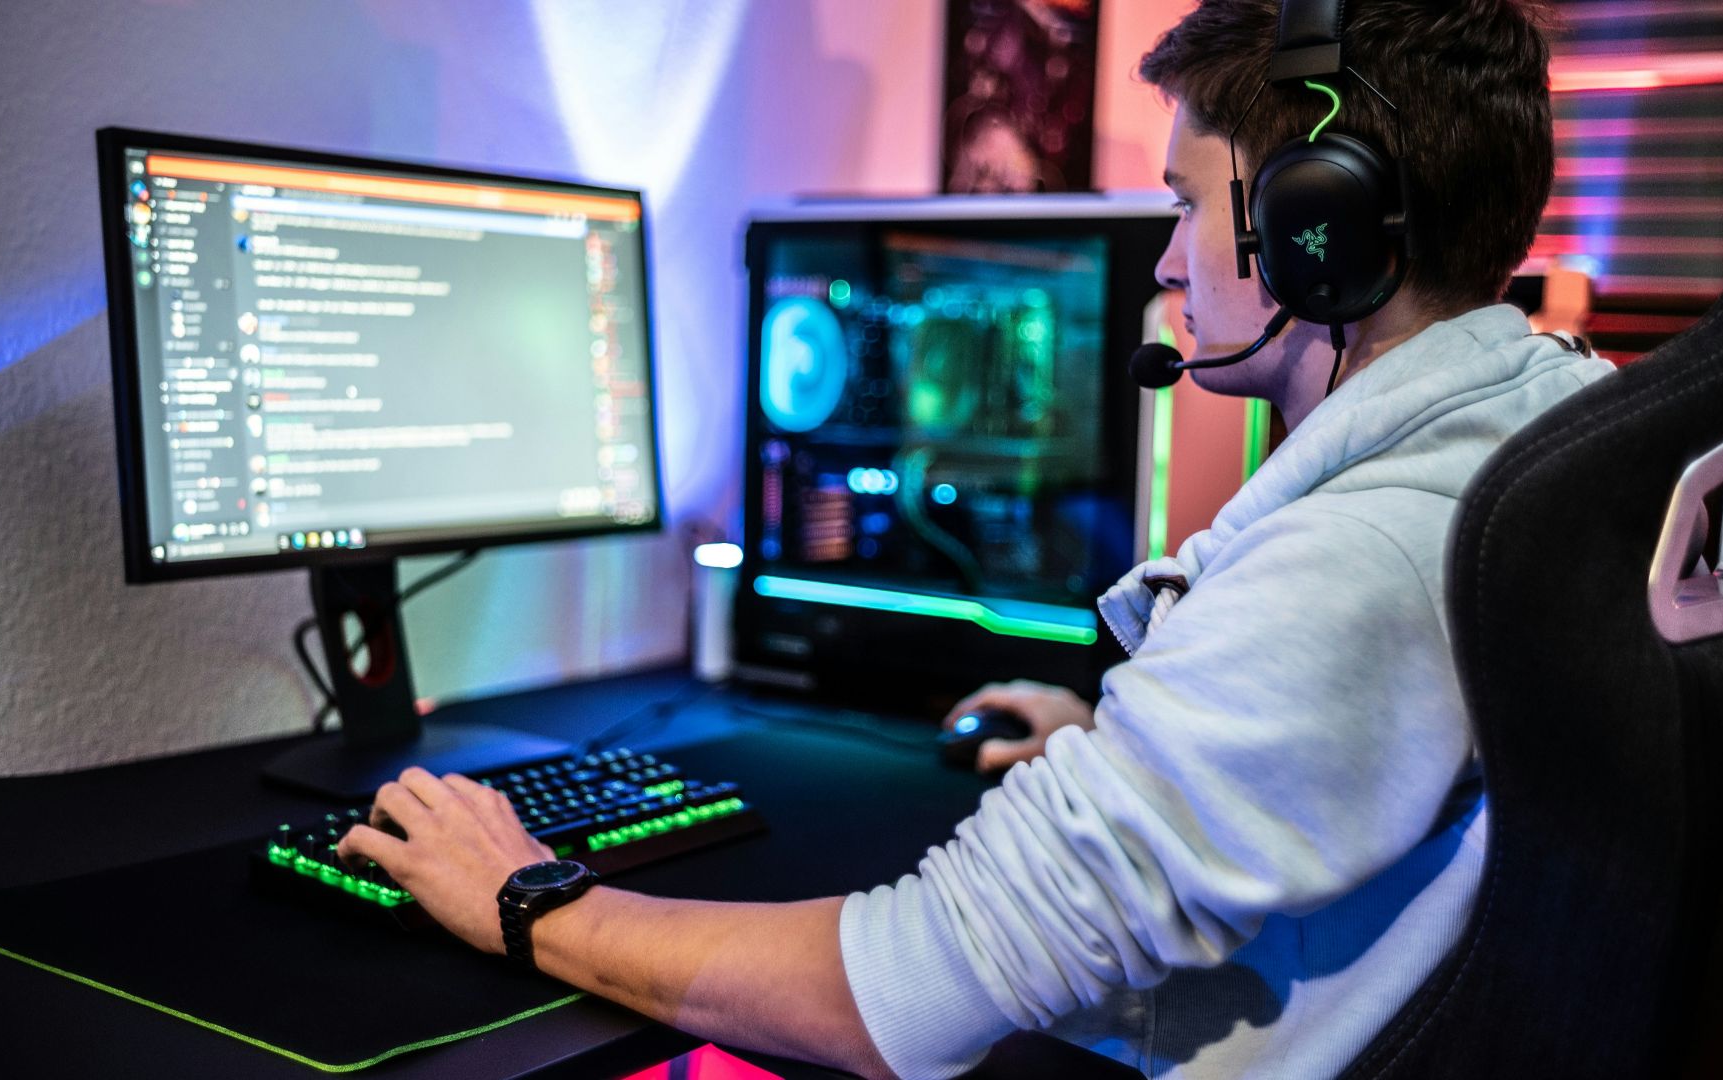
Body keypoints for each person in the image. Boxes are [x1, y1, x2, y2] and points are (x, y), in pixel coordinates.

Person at [335, 1, 1613, 1076]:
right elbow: (1345, 746)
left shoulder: (1359, 562)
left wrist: (527, 898)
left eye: (1187, 204)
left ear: (1314, 230)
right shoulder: (1560, 428)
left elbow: (894, 1001)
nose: (1169, 256)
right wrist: (1151, 765)